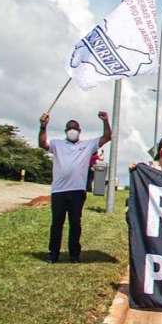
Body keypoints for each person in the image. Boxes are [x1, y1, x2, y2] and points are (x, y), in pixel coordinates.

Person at [38, 111, 111, 263]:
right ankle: (53, 254)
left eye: (75, 128)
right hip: (58, 191)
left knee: (75, 223)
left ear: (79, 131)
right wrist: (43, 127)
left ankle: (74, 255)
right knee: (57, 223)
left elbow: (107, 137)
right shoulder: (57, 144)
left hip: (77, 191)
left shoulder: (87, 145)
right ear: (66, 131)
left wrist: (105, 121)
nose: (72, 130)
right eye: (70, 128)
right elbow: (43, 143)